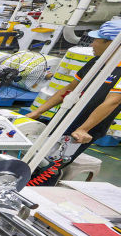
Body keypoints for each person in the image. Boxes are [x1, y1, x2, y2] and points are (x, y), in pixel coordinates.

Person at [26, 20, 121, 163]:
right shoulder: (96, 62)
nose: (91, 44)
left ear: (112, 43)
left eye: (96, 40)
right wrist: (38, 111)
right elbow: (70, 89)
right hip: (66, 117)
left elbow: (113, 101)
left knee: (52, 164)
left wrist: (83, 129)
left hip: (84, 129)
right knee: (37, 154)